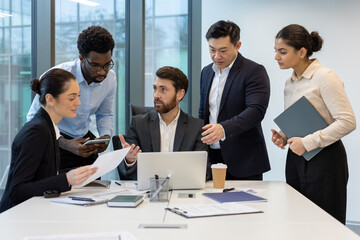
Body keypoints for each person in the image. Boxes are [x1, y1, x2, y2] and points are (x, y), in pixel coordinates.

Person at [272, 24, 356, 224]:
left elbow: (348, 121)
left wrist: (308, 142)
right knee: (299, 220)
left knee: (326, 224)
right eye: (275, 51)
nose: (276, 57)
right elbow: (300, 117)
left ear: (301, 52)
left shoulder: (325, 77)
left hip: (325, 160)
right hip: (296, 157)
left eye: (282, 52)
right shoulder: (289, 82)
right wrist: (284, 134)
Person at [0, 69, 97, 213]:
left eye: (78, 96)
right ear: (50, 99)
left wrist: (75, 174)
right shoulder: (37, 131)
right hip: (16, 218)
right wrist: (66, 179)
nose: (78, 102)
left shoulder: (48, 127)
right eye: (72, 98)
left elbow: (43, 175)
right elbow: (17, 190)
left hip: (31, 212)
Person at [27, 26, 116, 172]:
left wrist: (105, 136)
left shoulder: (110, 79)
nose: (102, 71)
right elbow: (33, 119)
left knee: (95, 188)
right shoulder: (58, 76)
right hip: (55, 141)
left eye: (107, 64)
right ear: (82, 58)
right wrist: (64, 143)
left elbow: (105, 114)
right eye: (95, 65)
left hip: (84, 140)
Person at [199, 20, 271, 180]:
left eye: (223, 50)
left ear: (237, 45)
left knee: (245, 204)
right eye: (212, 50)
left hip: (244, 160)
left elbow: (256, 111)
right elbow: (203, 113)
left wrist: (224, 129)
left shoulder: (254, 71)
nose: (216, 56)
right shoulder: (206, 72)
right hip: (211, 158)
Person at [118, 66, 208, 180]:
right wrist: (130, 159)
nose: (156, 95)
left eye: (163, 89)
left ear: (180, 94)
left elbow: (204, 170)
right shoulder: (139, 124)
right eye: (155, 88)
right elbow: (129, 172)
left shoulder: (196, 127)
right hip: (149, 192)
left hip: (183, 190)